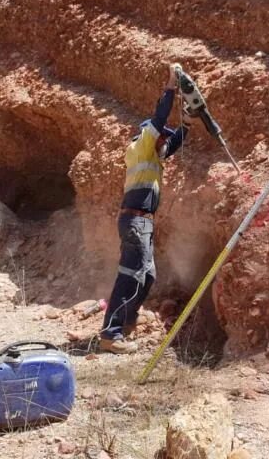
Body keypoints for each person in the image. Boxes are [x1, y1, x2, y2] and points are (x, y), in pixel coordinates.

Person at [98, 65, 192, 354]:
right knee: (130, 274)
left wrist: (186, 124)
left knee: (147, 275)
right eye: (162, 136)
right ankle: (110, 334)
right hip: (135, 221)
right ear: (151, 136)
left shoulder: (154, 155)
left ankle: (124, 326)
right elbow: (160, 119)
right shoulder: (140, 147)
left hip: (143, 223)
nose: (165, 141)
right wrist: (171, 87)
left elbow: (173, 144)